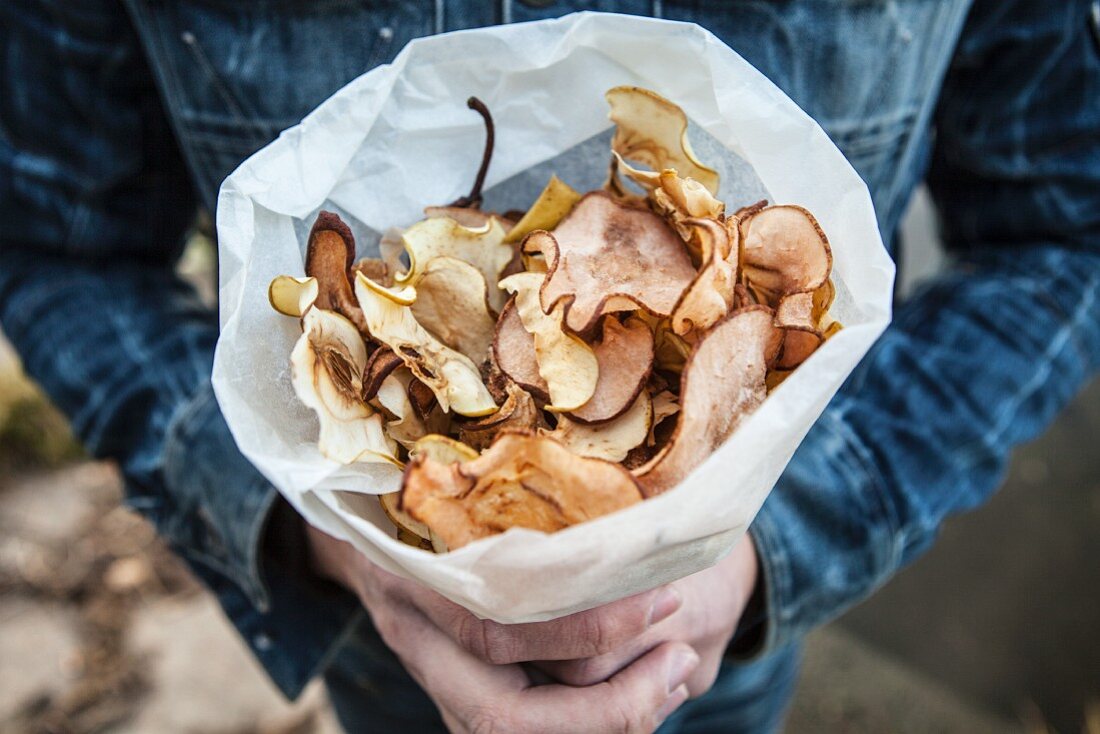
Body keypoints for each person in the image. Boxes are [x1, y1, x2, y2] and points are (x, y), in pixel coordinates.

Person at [2, 0, 1097, 731]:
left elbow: (1061, 226)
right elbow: (58, 249)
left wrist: (779, 537)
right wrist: (325, 535)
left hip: (709, 667)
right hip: (391, 665)